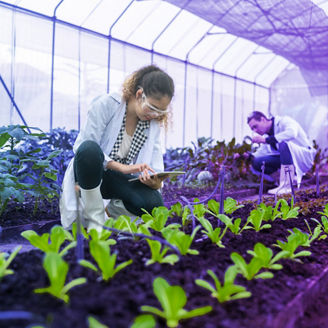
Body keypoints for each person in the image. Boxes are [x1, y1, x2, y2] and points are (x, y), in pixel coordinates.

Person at [60, 65, 174, 231]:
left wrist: (154, 182)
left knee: (153, 203)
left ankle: (112, 214)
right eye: (152, 108)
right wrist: (123, 167)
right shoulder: (107, 104)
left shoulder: (152, 123)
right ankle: (95, 218)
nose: (155, 115)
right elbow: (82, 147)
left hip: (119, 179)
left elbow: (155, 164)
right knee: (89, 150)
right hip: (91, 173)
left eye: (160, 111)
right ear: (140, 94)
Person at [247, 111, 315, 194]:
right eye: (252, 129)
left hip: (303, 157)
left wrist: (266, 140)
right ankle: (287, 180)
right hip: (288, 159)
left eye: (255, 126)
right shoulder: (267, 135)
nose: (255, 130)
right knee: (257, 162)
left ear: (263, 119)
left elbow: (292, 133)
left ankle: (286, 185)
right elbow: (260, 152)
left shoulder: (284, 121)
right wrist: (247, 156)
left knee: (284, 144)